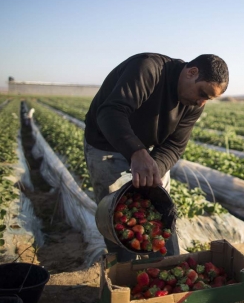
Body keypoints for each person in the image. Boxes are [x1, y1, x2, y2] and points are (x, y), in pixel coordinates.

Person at [84, 52, 229, 261]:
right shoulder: (147, 70)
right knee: (116, 215)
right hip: (107, 144)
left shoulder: (194, 104)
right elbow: (111, 113)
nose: (201, 103)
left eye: (207, 98)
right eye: (202, 93)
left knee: (160, 212)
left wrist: (154, 170)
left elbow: (175, 145)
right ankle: (124, 274)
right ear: (192, 72)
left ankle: (164, 266)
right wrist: (136, 152)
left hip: (147, 149)